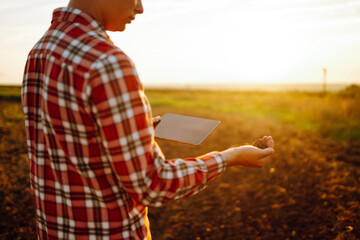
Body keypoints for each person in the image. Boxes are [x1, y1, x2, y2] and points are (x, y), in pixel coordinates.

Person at [21, 0, 275, 239]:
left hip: (53, 230)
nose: (140, 8)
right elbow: (153, 183)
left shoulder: (42, 50)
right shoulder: (107, 62)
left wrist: (130, 131)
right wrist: (229, 157)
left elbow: (68, 139)